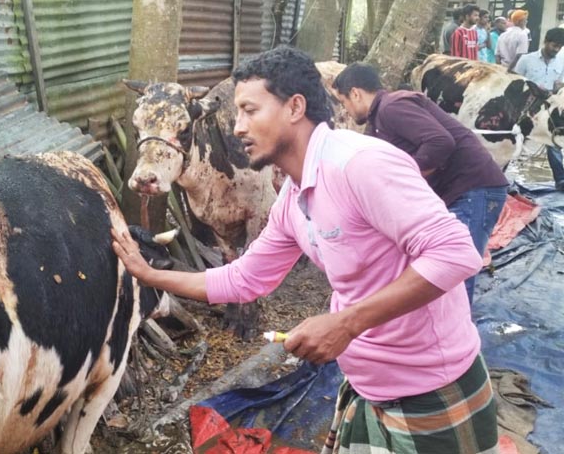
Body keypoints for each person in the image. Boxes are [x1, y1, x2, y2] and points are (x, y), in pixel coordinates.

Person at [112, 46, 498, 453]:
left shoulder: (358, 164)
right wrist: (151, 274)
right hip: (367, 388)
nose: (238, 127)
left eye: (250, 110)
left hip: (431, 389)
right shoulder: (293, 197)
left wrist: (345, 324)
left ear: (295, 107)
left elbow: (455, 252)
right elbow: (244, 279)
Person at [332, 63, 508, 303]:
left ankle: (457, 335)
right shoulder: (377, 124)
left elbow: (440, 142)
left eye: (344, 103)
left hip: (473, 187)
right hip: (457, 191)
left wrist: (406, 178)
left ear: (355, 93)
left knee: (454, 269)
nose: (347, 111)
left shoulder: (392, 107)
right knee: (442, 266)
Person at [514, 27, 564, 192]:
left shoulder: (560, 62)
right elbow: (514, 84)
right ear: (546, 41)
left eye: (560, 47)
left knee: (554, 141)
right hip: (526, 107)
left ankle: (561, 180)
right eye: (554, 45)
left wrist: (559, 87)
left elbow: (560, 85)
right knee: (517, 141)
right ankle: (509, 180)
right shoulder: (526, 60)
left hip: (549, 110)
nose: (556, 50)